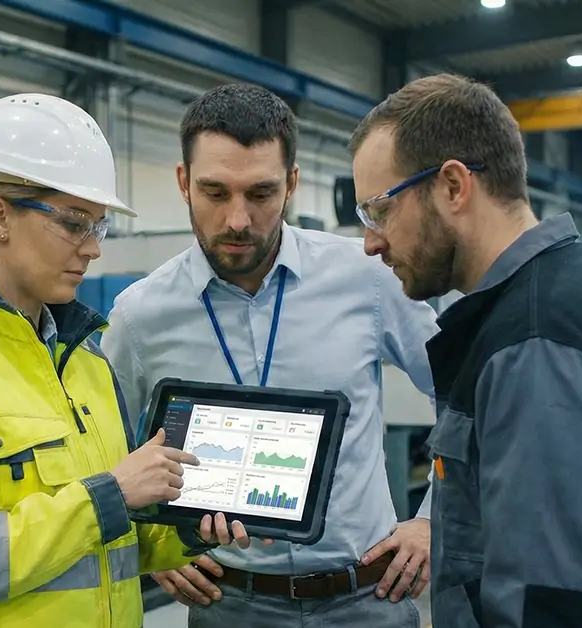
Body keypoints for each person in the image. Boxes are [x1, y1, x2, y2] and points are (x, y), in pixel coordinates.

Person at [0, 93, 259, 628]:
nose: (93, 248)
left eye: (99, 226)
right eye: (74, 223)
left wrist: (188, 526)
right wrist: (109, 494)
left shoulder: (87, 365)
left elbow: (111, 547)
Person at [349, 73, 582, 628]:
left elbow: (554, 607)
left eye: (380, 210)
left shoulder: (536, 344)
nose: (371, 242)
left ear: (452, 186)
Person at [100, 83, 440, 628]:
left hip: (366, 600)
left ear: (292, 186)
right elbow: (100, 446)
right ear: (184, 183)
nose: (237, 220)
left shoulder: (366, 280)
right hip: (228, 604)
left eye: (260, 194)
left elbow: (463, 394)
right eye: (215, 192)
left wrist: (432, 519)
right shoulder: (141, 316)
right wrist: (148, 539)